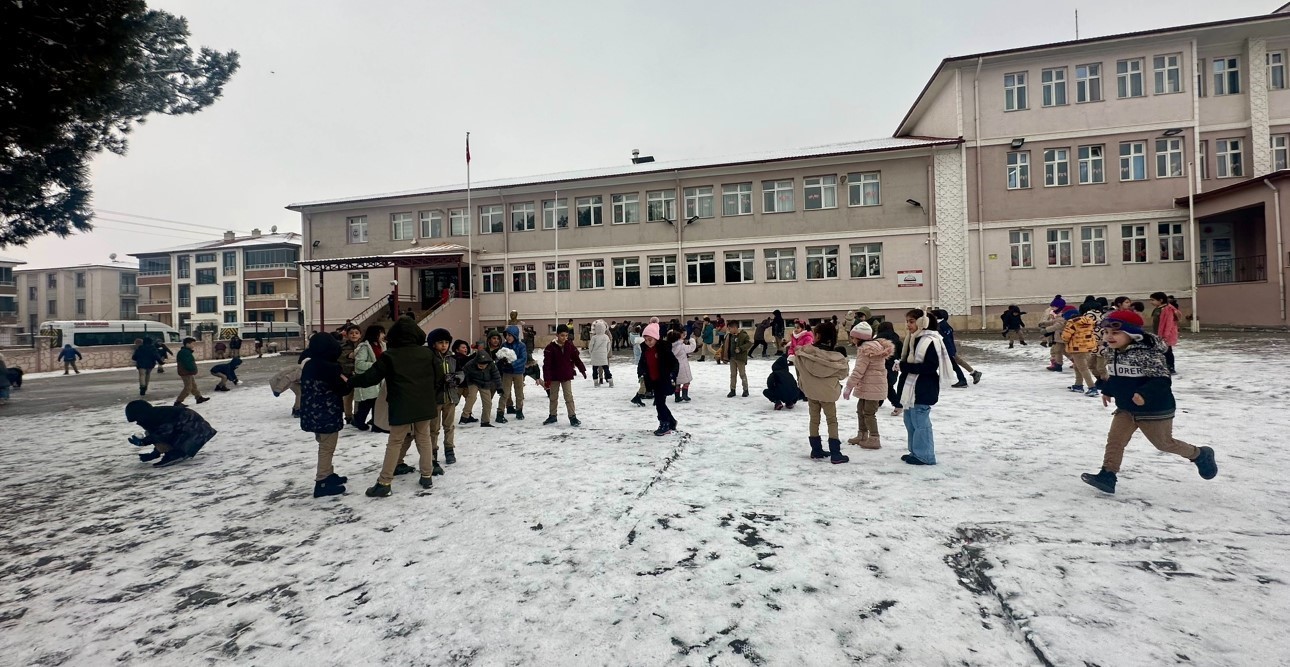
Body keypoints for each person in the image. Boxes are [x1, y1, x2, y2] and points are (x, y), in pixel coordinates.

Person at [1081, 310, 1216, 494]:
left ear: (1132, 334)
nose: (1109, 336)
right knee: (1115, 441)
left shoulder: (1147, 353)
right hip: (1126, 408)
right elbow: (1117, 376)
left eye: (1115, 332)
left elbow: (1161, 379)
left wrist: (1144, 394)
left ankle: (1199, 454)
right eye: (1105, 332)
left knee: (1164, 444)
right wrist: (1108, 390)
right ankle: (1108, 475)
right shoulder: (1112, 352)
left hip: (1154, 409)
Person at [349, 318, 446, 496]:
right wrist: (428, 393)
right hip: (424, 403)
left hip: (400, 404)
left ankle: (384, 482)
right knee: (424, 438)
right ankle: (427, 475)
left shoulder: (390, 355)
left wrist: (350, 381)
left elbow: (371, 378)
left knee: (395, 442)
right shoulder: (427, 354)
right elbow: (440, 377)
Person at [896, 309, 953, 466]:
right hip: (911, 388)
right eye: (907, 321)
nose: (908, 325)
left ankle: (925, 455)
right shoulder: (914, 338)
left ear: (923, 322)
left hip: (923, 387)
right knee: (910, 421)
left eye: (911, 321)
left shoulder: (930, 341)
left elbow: (929, 367)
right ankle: (915, 451)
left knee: (920, 422)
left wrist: (904, 366)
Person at [297, 333, 349, 497]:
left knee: (324, 444)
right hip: (327, 414)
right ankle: (322, 481)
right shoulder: (330, 368)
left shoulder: (309, 364)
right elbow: (342, 389)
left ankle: (328, 473)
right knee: (327, 448)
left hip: (312, 414)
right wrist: (348, 381)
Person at [793, 322, 850, 463]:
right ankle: (835, 453)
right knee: (832, 420)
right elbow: (843, 374)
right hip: (828, 393)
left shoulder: (804, 353)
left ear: (817, 336)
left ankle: (816, 450)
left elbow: (798, 366)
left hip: (811, 392)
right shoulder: (837, 358)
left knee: (814, 419)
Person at [842, 322, 895, 450]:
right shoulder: (874, 346)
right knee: (861, 409)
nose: (852, 340)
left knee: (868, 413)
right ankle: (862, 435)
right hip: (869, 385)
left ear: (860, 338)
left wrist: (849, 386)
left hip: (873, 387)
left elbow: (858, 370)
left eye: (853, 337)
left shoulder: (865, 350)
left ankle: (874, 438)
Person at [125, 399, 217, 468]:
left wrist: (144, 441)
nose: (138, 423)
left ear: (142, 415)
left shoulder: (160, 416)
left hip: (198, 431)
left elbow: (164, 433)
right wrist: (155, 453)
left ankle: (178, 453)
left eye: (137, 419)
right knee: (150, 433)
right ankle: (177, 452)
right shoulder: (153, 416)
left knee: (153, 434)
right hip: (195, 430)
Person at [639, 322, 678, 436]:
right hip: (652, 380)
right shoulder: (646, 350)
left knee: (659, 403)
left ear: (656, 338)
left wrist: (672, 375)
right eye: (646, 340)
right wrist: (641, 372)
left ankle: (664, 423)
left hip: (663, 379)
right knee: (660, 403)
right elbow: (642, 363)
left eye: (650, 340)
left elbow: (674, 363)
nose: (648, 342)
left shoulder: (663, 349)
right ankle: (671, 421)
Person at [542, 324, 585, 426]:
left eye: (566, 335)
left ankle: (572, 417)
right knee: (553, 397)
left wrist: (582, 369)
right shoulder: (550, 348)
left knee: (568, 397)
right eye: (562, 335)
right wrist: (547, 379)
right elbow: (546, 365)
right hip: (554, 376)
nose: (564, 338)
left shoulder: (570, 346)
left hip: (566, 375)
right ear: (557, 335)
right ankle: (553, 415)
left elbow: (576, 359)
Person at [933, 309, 980, 387]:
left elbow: (944, 339)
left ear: (936, 316)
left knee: (954, 364)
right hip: (949, 348)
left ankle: (963, 380)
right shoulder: (943, 324)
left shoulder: (940, 326)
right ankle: (972, 374)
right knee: (957, 361)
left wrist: (948, 350)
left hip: (947, 349)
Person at [350, 325, 384, 430]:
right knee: (367, 402)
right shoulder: (365, 347)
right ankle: (359, 422)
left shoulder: (382, 345)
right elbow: (359, 364)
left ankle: (376, 424)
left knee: (377, 402)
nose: (383, 335)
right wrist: (375, 365)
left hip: (379, 379)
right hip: (368, 378)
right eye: (381, 333)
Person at [1061, 308, 1100, 396]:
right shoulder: (1089, 321)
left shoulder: (1072, 323)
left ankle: (1092, 387)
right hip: (1088, 347)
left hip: (1077, 348)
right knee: (1077, 366)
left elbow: (1065, 336)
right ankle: (1078, 384)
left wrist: (1065, 340)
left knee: (1083, 368)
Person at [461, 348, 502, 428]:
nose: (482, 367)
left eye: (484, 365)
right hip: (473, 382)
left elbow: (496, 376)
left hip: (485, 383)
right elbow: (462, 373)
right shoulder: (470, 364)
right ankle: (464, 416)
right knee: (472, 397)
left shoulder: (491, 365)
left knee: (488, 402)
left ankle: (485, 421)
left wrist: (499, 387)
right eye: (480, 365)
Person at [874, 321, 904, 416]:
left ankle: (898, 404)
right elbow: (902, 354)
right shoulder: (897, 339)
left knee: (886, 387)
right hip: (893, 366)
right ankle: (879, 402)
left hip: (881, 366)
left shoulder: (877, 340)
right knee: (886, 385)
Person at [499, 326, 527, 421]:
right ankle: (500, 412)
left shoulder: (521, 346)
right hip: (507, 372)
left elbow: (523, 358)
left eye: (510, 335)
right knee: (505, 393)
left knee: (519, 393)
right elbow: (500, 355)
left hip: (518, 372)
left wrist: (513, 364)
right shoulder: (504, 345)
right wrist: (502, 362)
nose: (507, 337)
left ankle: (519, 411)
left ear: (515, 336)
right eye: (506, 335)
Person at [1149, 291, 1181, 374]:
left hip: (1166, 334)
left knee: (1167, 351)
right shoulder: (1158, 308)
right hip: (1158, 334)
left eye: (1153, 300)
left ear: (1160, 300)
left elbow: (1169, 323)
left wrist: (1165, 335)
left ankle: (1170, 367)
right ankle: (1163, 366)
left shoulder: (1167, 309)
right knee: (1160, 351)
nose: (1151, 302)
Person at [174, 337, 209, 406]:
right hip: (185, 372)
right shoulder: (184, 352)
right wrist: (193, 369)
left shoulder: (186, 351)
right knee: (188, 387)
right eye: (192, 344)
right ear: (187, 344)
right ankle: (178, 402)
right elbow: (187, 363)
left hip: (187, 372)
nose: (193, 345)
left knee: (193, 386)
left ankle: (198, 397)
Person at [724, 320, 752, 398]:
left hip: (740, 358)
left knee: (742, 374)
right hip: (732, 358)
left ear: (734, 328)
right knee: (733, 374)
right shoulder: (730, 336)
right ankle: (732, 390)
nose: (729, 330)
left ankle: (745, 390)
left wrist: (740, 348)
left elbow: (749, 343)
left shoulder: (743, 335)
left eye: (730, 328)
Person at [339, 325, 360, 424]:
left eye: (356, 333)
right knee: (347, 397)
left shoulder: (363, 346)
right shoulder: (342, 346)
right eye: (351, 333)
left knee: (359, 397)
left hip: (359, 374)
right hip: (347, 374)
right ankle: (348, 416)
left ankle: (357, 415)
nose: (354, 335)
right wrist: (348, 356)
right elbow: (339, 358)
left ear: (360, 335)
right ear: (347, 335)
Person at [670, 329, 697, 402]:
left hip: (675, 367)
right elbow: (691, 348)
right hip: (683, 367)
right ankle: (685, 395)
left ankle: (677, 397)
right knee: (686, 381)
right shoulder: (682, 346)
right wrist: (692, 340)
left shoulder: (671, 346)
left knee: (677, 383)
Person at [589, 319, 613, 387]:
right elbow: (608, 346)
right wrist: (606, 352)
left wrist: (591, 352)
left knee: (595, 369)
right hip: (603, 356)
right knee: (606, 368)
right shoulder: (606, 337)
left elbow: (590, 346)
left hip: (595, 356)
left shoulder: (594, 337)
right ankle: (610, 381)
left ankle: (596, 382)